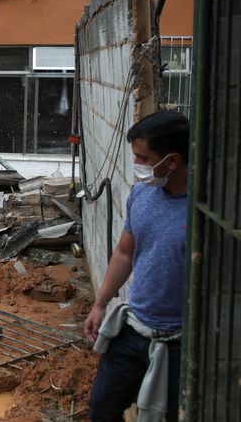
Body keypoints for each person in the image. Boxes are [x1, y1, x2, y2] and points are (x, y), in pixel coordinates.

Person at [85, 110, 189, 422]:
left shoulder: (203, 208)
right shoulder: (142, 193)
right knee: (102, 409)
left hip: (181, 342)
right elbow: (125, 253)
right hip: (134, 326)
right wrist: (100, 302)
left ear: (172, 161)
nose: (137, 167)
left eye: (142, 158)